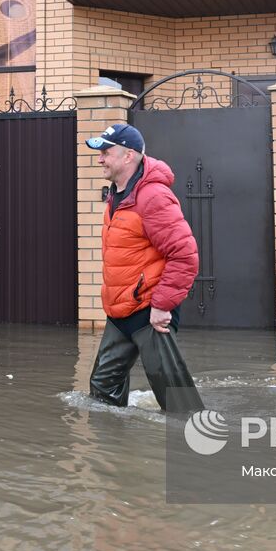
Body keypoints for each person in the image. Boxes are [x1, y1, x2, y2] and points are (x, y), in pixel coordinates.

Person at [85, 123, 204, 413]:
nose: (100, 158)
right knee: (103, 390)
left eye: (106, 152)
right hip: (120, 310)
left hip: (150, 311)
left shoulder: (153, 197)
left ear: (128, 156)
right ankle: (110, 453)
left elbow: (185, 255)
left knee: (177, 403)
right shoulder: (117, 194)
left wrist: (162, 306)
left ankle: (199, 448)